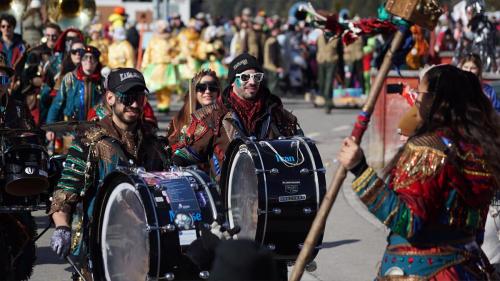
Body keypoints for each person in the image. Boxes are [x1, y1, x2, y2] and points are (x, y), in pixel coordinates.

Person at [338, 64, 500, 280]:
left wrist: (360, 169)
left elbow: (409, 221)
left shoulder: (428, 150)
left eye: (421, 93)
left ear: (438, 100)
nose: (416, 99)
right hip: (467, 269)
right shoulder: (479, 151)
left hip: (423, 272)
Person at [48, 68, 170, 278]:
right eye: (128, 97)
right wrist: (62, 228)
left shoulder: (153, 142)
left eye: (140, 97)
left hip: (149, 245)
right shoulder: (90, 142)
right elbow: (64, 193)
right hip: (103, 246)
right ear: (110, 98)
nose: (134, 104)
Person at [172, 52, 300, 183]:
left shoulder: (276, 112)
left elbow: (298, 152)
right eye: (245, 77)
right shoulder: (212, 116)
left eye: (257, 77)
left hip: (271, 189)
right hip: (230, 194)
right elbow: (183, 156)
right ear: (233, 82)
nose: (252, 82)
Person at [167, 69, 220, 146]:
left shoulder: (225, 116)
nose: (207, 91)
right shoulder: (179, 120)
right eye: (202, 87)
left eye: (212, 87)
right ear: (194, 91)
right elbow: (170, 147)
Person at [142, 19, 179, 113]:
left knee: (167, 87)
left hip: (168, 66)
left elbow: (177, 52)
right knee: (158, 86)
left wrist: (175, 58)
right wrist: (145, 64)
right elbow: (148, 53)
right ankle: (160, 103)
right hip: (156, 66)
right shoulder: (153, 40)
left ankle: (165, 104)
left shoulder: (171, 39)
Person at [316, 29, 341, 114]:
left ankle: (328, 105)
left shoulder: (336, 39)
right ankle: (328, 100)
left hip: (332, 62)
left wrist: (340, 69)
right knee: (322, 83)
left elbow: (340, 53)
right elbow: (317, 49)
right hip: (321, 62)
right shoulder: (319, 38)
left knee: (329, 84)